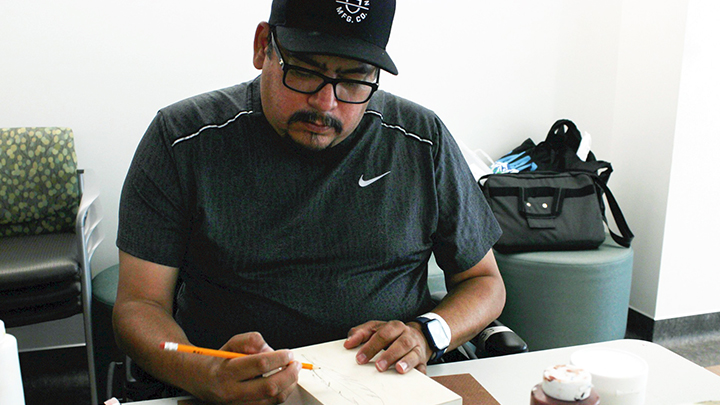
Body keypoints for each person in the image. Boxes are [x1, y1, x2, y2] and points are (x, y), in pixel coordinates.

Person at [113, 0, 505, 403]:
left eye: (355, 80)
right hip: (234, 393)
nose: (325, 103)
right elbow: (139, 305)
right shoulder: (182, 140)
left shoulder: (421, 140)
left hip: (391, 387)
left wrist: (427, 333)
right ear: (263, 46)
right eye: (304, 71)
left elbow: (485, 283)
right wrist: (205, 372)